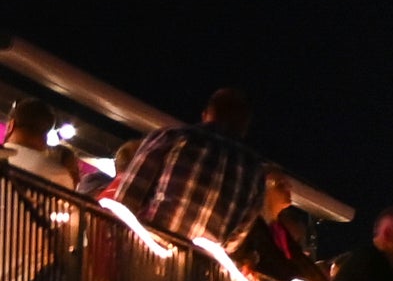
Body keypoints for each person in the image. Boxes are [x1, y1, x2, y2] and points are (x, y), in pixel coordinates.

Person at [99, 87, 267, 245]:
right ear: (244, 127)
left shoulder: (173, 137)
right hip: (196, 270)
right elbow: (234, 240)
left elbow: (127, 199)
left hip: (145, 253)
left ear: (206, 114)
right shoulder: (255, 172)